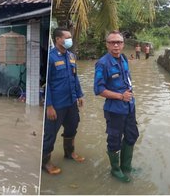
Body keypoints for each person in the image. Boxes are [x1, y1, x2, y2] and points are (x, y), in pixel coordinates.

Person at [94, 31, 138, 183]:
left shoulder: (124, 58)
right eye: (112, 42)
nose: (116, 45)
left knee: (132, 135)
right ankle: (115, 169)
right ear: (107, 44)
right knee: (114, 140)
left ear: (123, 44)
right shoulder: (103, 63)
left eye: (119, 42)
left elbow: (127, 79)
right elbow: (98, 90)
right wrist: (120, 96)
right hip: (115, 110)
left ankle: (126, 166)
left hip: (130, 106)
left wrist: (129, 96)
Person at [42, 28, 85, 175]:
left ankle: (69, 153)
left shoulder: (71, 56)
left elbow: (75, 78)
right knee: (50, 134)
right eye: (67, 37)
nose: (69, 40)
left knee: (72, 127)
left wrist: (79, 95)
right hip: (56, 104)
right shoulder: (50, 58)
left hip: (71, 102)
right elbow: (46, 84)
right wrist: (49, 106)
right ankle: (45, 162)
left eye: (70, 37)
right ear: (58, 39)